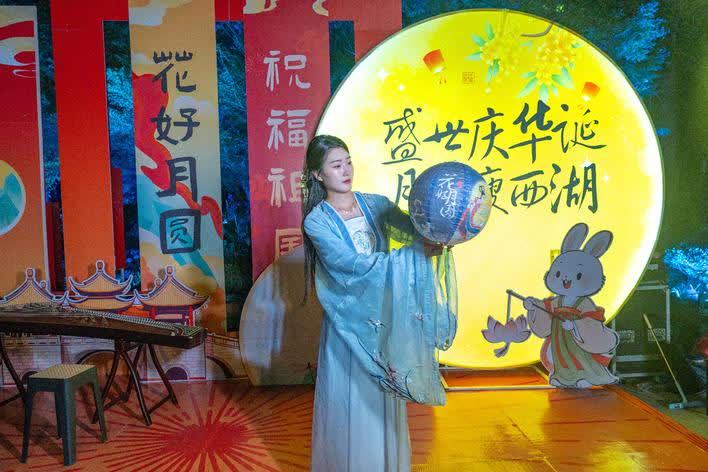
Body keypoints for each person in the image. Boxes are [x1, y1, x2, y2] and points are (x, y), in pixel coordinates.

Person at [302, 135, 458, 471]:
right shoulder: (317, 221)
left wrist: (442, 231)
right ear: (317, 174)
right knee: (351, 402)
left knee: (384, 398)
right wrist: (413, 255)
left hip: (385, 320)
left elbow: (416, 231)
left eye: (348, 162)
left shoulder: (377, 204)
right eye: (336, 165)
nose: (346, 170)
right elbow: (348, 265)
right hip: (347, 325)